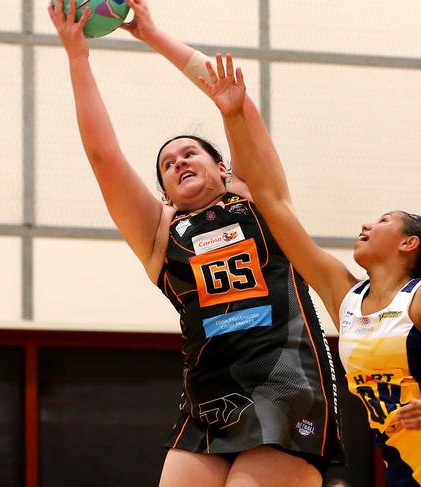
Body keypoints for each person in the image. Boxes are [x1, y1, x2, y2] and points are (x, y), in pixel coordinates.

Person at [47, 1, 344, 486]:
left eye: (191, 153)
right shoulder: (159, 234)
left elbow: (236, 104)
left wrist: (152, 35)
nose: (180, 161)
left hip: (287, 379)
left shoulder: (259, 199)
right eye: (168, 163)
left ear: (223, 169)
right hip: (209, 393)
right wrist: (77, 56)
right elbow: (104, 157)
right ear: (164, 192)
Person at [199, 54, 421, 486]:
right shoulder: (344, 295)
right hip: (407, 465)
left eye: (384, 220)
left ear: (409, 243)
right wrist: (234, 115)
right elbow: (272, 203)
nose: (367, 225)